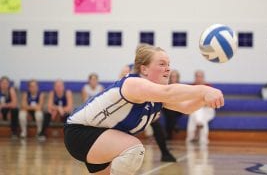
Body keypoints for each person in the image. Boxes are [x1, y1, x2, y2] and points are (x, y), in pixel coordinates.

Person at [64, 44, 224, 175]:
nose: (168, 69)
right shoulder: (133, 84)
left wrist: (205, 99)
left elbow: (187, 108)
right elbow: (168, 92)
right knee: (134, 149)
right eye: (162, 64)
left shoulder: (156, 95)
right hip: (80, 133)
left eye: (168, 64)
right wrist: (203, 90)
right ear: (144, 69)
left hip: (104, 138)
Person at [119, 64, 176, 162]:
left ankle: (165, 152)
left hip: (144, 105)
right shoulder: (128, 72)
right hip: (128, 108)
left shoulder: (148, 73)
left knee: (157, 126)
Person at [186, 70, 216, 145]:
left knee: (196, 113)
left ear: (203, 77)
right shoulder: (191, 87)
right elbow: (187, 100)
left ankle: (191, 138)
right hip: (194, 109)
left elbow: (212, 102)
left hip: (208, 110)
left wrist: (200, 103)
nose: (199, 78)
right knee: (199, 116)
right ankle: (203, 140)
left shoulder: (209, 87)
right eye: (197, 76)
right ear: (195, 77)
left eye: (200, 76)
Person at [163, 70, 182, 140]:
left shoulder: (181, 86)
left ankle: (168, 135)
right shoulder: (167, 86)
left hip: (179, 108)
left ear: (178, 78)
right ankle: (174, 125)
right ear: (170, 77)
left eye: (175, 77)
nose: (174, 78)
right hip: (168, 107)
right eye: (172, 76)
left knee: (171, 114)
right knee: (169, 113)